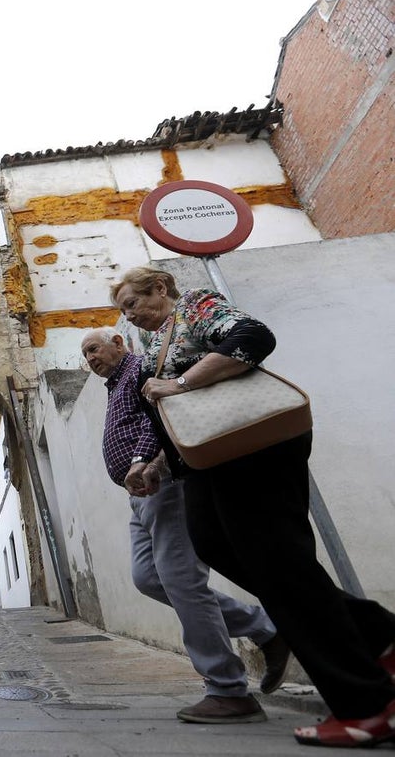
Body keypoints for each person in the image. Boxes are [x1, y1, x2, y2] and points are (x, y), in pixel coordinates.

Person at [111, 266, 395, 747]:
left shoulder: (194, 306)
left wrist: (179, 386)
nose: (129, 317)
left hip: (251, 451)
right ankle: (380, 634)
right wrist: (158, 462)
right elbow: (183, 416)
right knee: (220, 546)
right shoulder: (159, 346)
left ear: (159, 288)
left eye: (131, 304)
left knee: (281, 569)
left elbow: (253, 337)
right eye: (123, 310)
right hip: (209, 462)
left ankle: (364, 706)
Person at [81, 327, 290, 724]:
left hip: (164, 484)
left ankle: (228, 690)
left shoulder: (140, 368)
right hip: (140, 498)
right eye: (85, 355)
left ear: (118, 342)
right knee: (148, 578)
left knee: (182, 581)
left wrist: (148, 463)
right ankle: (265, 628)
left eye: (94, 348)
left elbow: (156, 420)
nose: (90, 358)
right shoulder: (115, 383)